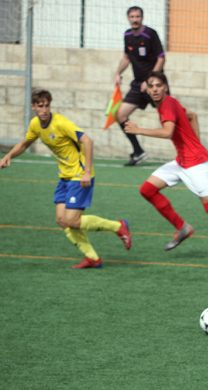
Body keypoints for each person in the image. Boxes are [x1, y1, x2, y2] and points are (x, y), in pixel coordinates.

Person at [124, 71, 208, 265]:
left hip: (195, 163)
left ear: (165, 87)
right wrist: (195, 142)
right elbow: (192, 115)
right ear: (147, 88)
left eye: (158, 85)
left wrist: (139, 130)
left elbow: (167, 132)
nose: (155, 89)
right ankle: (182, 228)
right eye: (151, 86)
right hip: (182, 161)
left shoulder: (167, 104)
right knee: (147, 189)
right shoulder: (169, 103)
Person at [0, 89, 132, 269]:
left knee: (72, 221)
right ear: (33, 107)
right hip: (64, 176)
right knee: (62, 220)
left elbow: (88, 141)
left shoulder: (61, 123)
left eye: (47, 105)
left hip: (79, 175)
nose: (44, 109)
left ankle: (118, 226)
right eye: (40, 106)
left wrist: (86, 172)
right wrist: (9, 156)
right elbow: (25, 143)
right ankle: (92, 258)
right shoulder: (35, 124)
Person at [114, 6, 165, 166]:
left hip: (155, 84)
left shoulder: (150, 34)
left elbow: (161, 58)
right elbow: (127, 57)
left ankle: (188, 150)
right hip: (138, 85)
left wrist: (150, 81)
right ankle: (138, 151)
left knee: (170, 118)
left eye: (137, 17)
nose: (135, 19)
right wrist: (118, 73)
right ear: (128, 18)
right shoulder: (127, 35)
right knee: (120, 115)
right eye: (132, 17)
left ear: (142, 18)